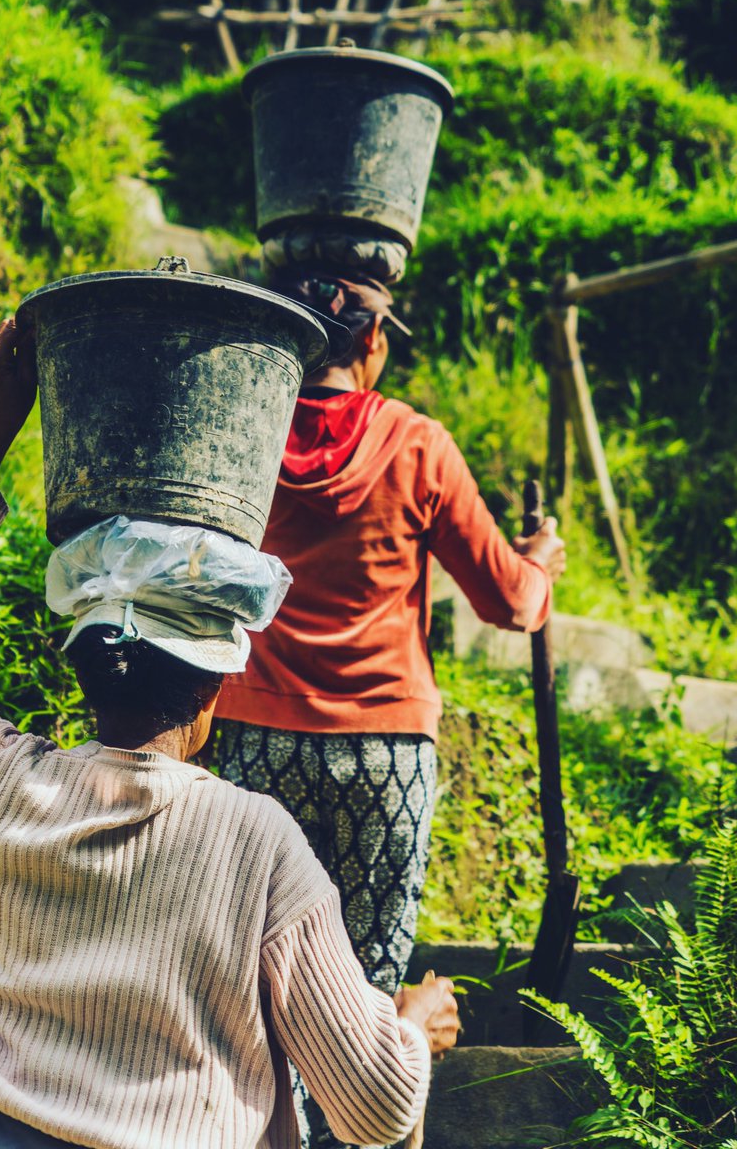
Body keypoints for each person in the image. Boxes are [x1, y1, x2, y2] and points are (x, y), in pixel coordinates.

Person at [0, 317, 459, 1149]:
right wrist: (411, 1029)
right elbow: (372, 1106)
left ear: (80, 659)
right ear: (219, 679)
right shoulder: (257, 845)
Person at [214, 270, 566, 1146]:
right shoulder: (415, 443)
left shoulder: (245, 428)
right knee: (369, 987)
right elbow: (510, 602)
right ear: (374, 344)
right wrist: (544, 562)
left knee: (260, 982)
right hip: (385, 755)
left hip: (257, 740)